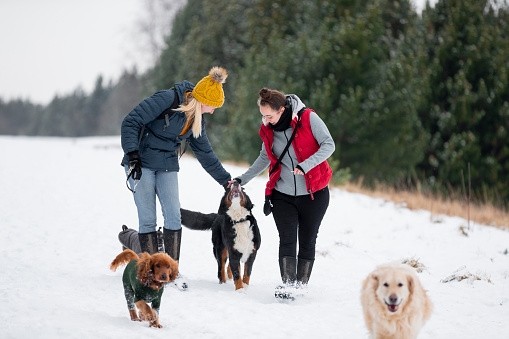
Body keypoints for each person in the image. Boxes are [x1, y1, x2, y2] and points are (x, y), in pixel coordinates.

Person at [119, 67, 232, 284]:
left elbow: (205, 153)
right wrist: (132, 153)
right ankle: (152, 273)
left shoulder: (196, 119)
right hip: (140, 162)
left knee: (173, 216)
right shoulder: (168, 99)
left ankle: (171, 273)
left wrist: (226, 181)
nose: (213, 111)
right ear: (202, 100)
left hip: (167, 163)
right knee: (148, 220)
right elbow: (131, 121)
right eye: (212, 106)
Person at [229, 88, 335, 299]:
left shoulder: (308, 118)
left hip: (314, 194)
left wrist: (306, 165)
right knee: (287, 239)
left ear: (282, 110)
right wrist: (242, 179)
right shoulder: (269, 129)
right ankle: (288, 286)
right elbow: (264, 157)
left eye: (269, 115)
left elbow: (328, 145)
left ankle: (300, 287)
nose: (266, 120)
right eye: (263, 115)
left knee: (307, 240)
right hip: (282, 194)